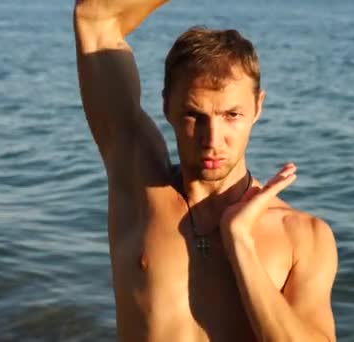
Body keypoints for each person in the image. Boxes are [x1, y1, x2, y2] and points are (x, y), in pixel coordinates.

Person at [73, 0, 338, 341]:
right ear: (166, 104)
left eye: (231, 115)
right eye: (194, 116)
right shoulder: (139, 189)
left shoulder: (302, 237)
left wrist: (240, 241)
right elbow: (95, 16)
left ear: (257, 107)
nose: (212, 139)